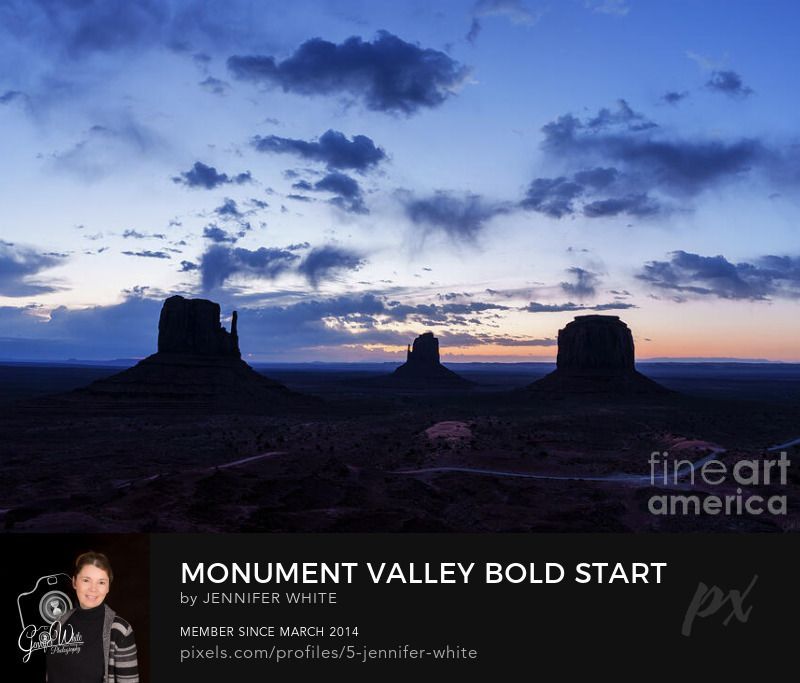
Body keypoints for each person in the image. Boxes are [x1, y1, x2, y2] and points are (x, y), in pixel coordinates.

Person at [46, 551, 139, 683]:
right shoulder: (60, 622)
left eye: (101, 582)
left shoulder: (120, 630)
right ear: (74, 582)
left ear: (108, 587)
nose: (93, 589)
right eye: (86, 580)